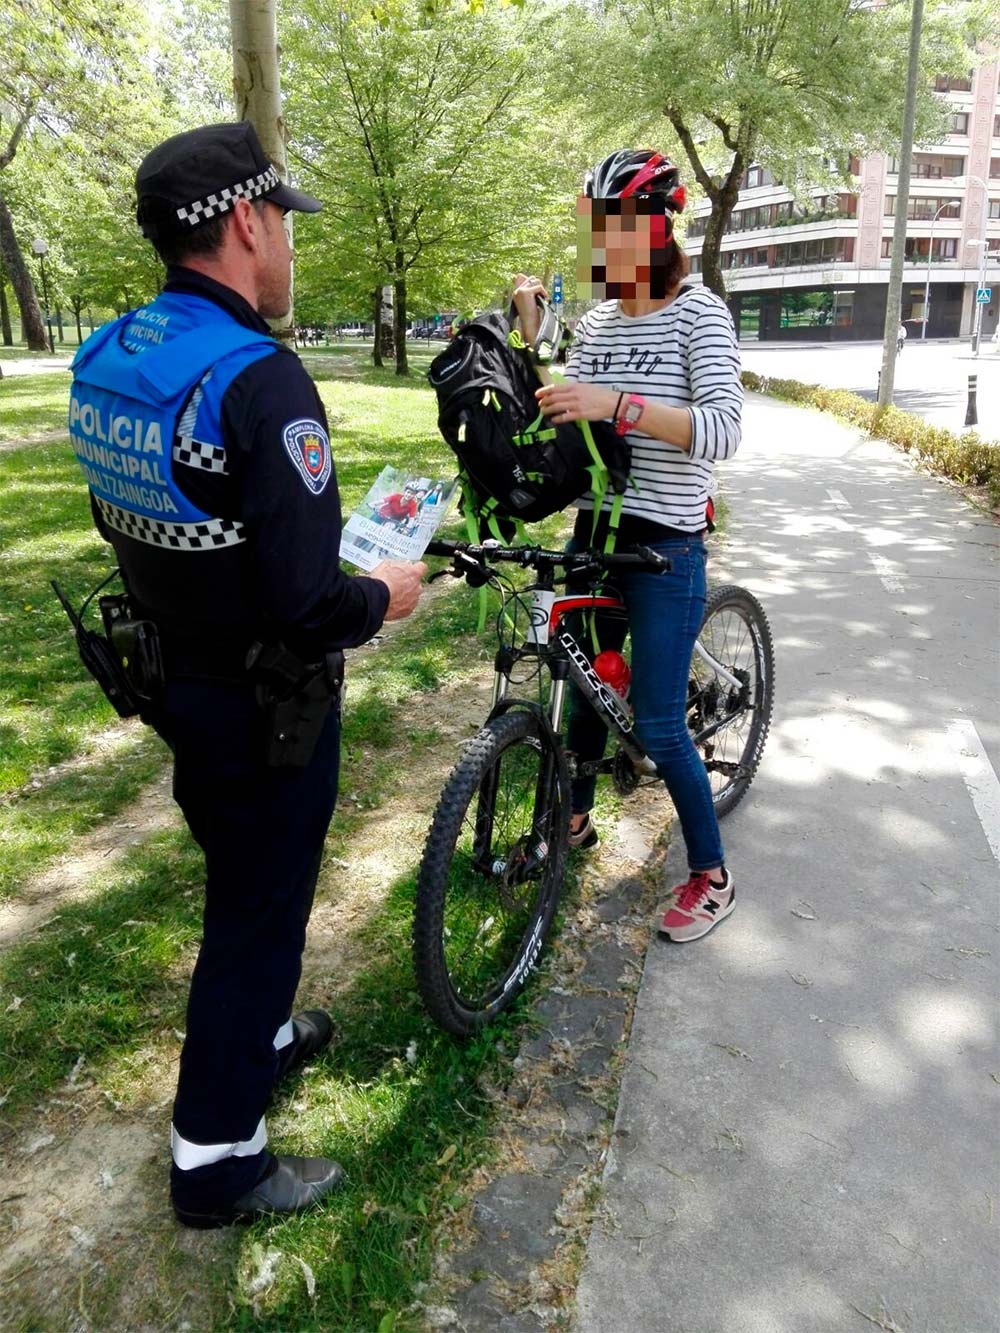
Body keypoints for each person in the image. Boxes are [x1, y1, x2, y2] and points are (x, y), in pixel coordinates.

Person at [66, 122, 426, 1228]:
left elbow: (118, 512)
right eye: (283, 228)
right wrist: (388, 594)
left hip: (173, 682)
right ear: (244, 223)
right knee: (254, 915)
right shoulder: (260, 381)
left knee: (242, 879)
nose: (288, 253)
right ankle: (217, 1158)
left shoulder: (111, 353)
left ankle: (263, 1036)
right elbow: (311, 599)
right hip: (267, 705)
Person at [513, 148, 743, 944]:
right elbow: (576, 414)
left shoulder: (698, 313)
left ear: (653, 231)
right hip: (595, 531)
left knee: (655, 722)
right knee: (581, 684)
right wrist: (532, 363)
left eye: (611, 232)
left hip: (666, 545)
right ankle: (573, 819)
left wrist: (620, 402)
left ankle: (712, 875)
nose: (599, 249)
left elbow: (722, 430)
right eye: (593, 233)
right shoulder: (603, 320)